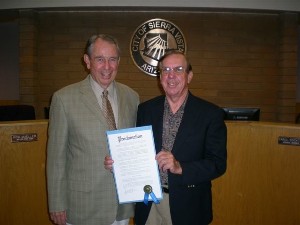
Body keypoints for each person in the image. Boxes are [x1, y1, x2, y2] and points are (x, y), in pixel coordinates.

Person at [105, 50, 227, 225]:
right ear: (160, 76)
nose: (171, 76)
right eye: (166, 70)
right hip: (148, 202)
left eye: (178, 69)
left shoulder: (210, 114)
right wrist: (119, 162)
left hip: (188, 205)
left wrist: (180, 167)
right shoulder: (146, 109)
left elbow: (218, 164)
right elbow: (136, 151)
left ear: (189, 76)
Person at [47, 34, 139, 225]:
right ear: (87, 61)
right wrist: (56, 203)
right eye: (100, 59)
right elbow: (56, 158)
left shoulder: (132, 97)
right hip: (83, 206)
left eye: (112, 59)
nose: (107, 66)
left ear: (119, 62)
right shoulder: (64, 99)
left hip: (122, 206)